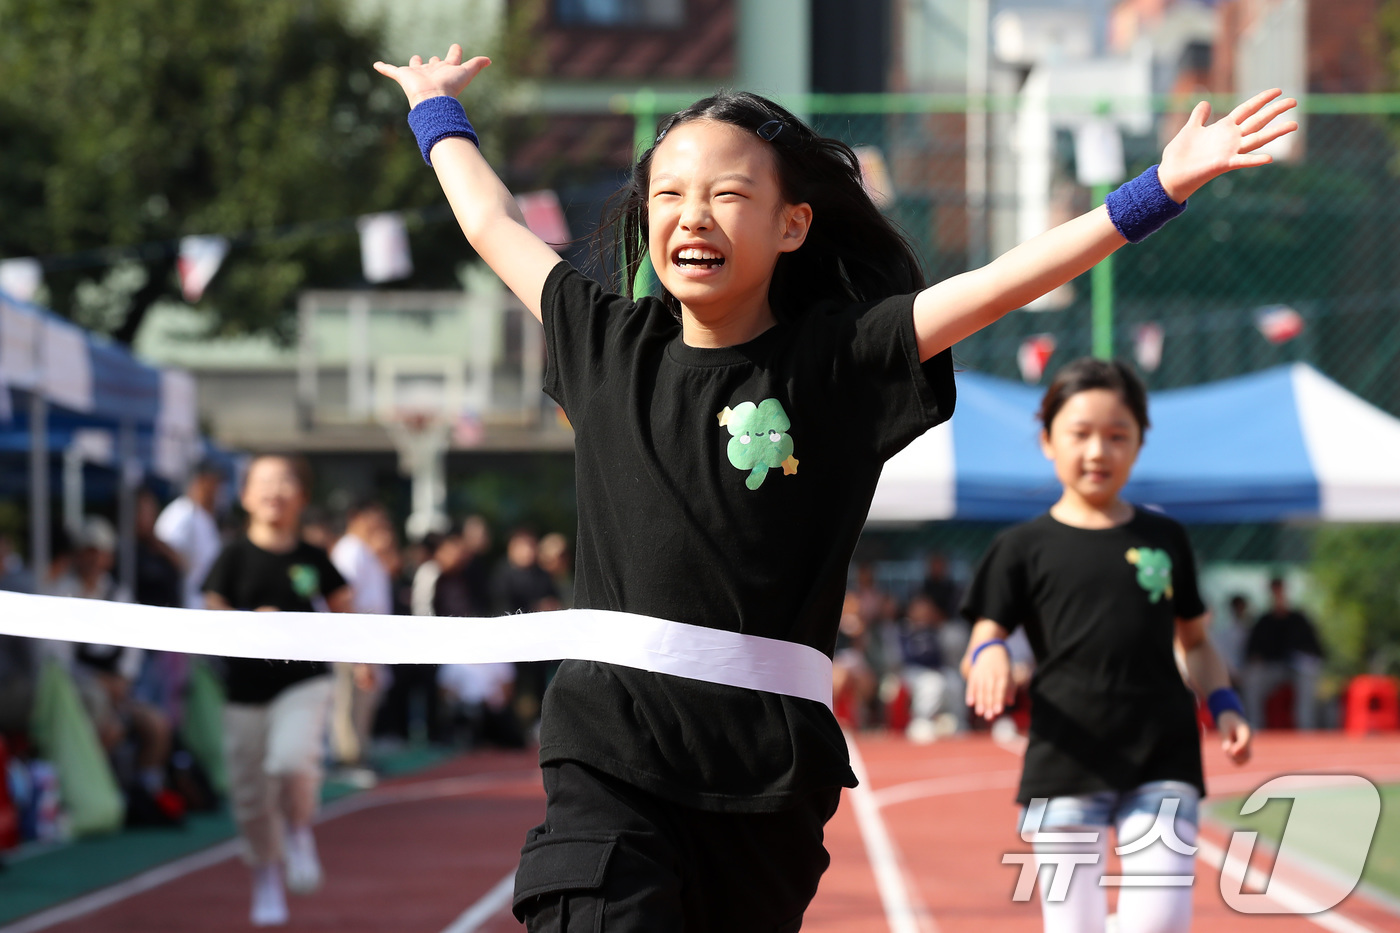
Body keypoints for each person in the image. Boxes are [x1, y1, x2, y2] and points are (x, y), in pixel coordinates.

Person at [374, 45, 1294, 930]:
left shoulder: (841, 361)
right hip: (608, 752)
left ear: (792, 224)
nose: (694, 215)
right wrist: (436, 110)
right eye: (671, 195)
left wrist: (1159, 188)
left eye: (729, 194)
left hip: (769, 770)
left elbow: (1001, 283)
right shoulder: (602, 339)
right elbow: (493, 221)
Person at [960, 359, 1254, 933]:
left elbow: (1194, 640)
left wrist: (1224, 701)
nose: (1099, 451)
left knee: (1159, 923)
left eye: (1118, 436)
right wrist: (987, 655)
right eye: (1081, 434)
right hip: (1065, 762)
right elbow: (985, 631)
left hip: (1163, 757)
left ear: (1140, 443)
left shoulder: (1164, 538)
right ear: (1048, 440)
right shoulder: (1020, 548)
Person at [203, 454, 352, 927]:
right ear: (245, 496)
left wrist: (363, 658)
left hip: (304, 680)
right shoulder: (231, 556)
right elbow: (211, 610)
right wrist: (251, 626)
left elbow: (345, 607)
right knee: (250, 796)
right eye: (263, 482)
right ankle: (265, 874)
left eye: (286, 482)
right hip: (245, 691)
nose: (274, 491)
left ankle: (300, 829)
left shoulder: (312, 558)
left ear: (301, 498)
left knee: (290, 760)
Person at [329, 501, 392, 774]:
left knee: (364, 700)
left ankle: (359, 753)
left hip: (370, 636)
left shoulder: (366, 551)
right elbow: (344, 598)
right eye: (372, 517)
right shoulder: (349, 550)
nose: (376, 523)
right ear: (356, 517)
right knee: (348, 699)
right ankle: (346, 758)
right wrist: (355, 646)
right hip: (352, 636)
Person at [1244, 576, 1325, 730]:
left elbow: (1317, 650)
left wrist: (1306, 656)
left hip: (1298, 669)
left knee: (1308, 678)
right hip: (1272, 668)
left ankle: (1306, 728)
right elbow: (1252, 653)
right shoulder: (1264, 621)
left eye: (1280, 590)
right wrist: (1256, 659)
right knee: (1252, 678)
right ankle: (1254, 726)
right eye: (1275, 591)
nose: (1278, 594)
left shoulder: (1299, 619)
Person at [155, 460, 225, 611]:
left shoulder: (204, 515)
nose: (218, 488)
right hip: (187, 604)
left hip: (205, 603)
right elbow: (162, 546)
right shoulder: (181, 511)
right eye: (214, 481)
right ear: (201, 481)